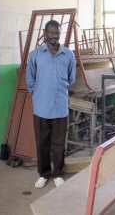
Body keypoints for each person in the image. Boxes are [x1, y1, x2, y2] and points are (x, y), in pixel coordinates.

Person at [26, 20, 76, 188]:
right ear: (45, 34)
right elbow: (30, 80)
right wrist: (39, 94)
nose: (55, 36)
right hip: (41, 108)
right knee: (42, 142)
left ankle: (57, 174)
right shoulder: (36, 55)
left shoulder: (68, 54)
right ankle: (44, 173)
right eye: (51, 33)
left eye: (57, 33)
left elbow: (71, 78)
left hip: (60, 108)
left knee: (59, 143)